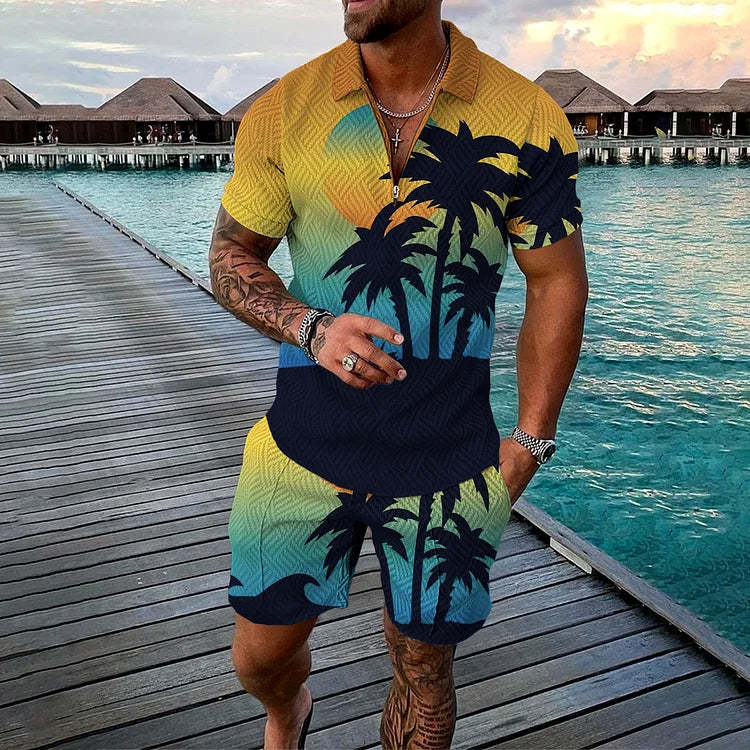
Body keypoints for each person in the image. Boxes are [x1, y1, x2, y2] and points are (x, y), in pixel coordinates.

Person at [209, 2, 587, 748]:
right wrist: (310, 327)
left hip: (447, 460)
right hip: (300, 447)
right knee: (259, 658)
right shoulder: (285, 109)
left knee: (423, 670)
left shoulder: (526, 115)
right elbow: (230, 255)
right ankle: (288, 710)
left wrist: (531, 440)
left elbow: (556, 279)